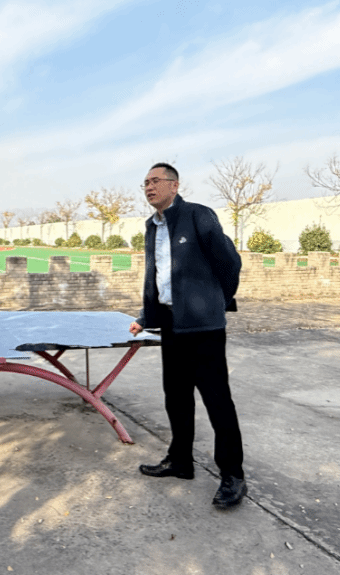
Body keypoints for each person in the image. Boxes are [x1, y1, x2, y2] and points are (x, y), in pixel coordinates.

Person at [129, 162, 246, 508]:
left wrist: (215, 302)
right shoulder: (151, 226)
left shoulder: (198, 215)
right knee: (176, 397)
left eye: (155, 181)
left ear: (174, 185)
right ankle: (181, 461)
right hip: (170, 325)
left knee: (217, 401)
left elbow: (230, 263)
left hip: (204, 329)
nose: (149, 187)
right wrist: (146, 316)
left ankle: (233, 475)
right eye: (145, 182)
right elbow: (158, 277)